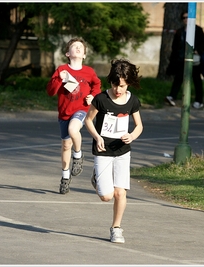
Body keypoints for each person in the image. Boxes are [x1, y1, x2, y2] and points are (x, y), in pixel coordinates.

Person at [84, 58, 143, 243]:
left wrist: (132, 136)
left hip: (123, 151)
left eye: (123, 86)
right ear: (110, 81)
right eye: (115, 85)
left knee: (120, 193)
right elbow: (88, 120)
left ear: (129, 84)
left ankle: (116, 228)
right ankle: (97, 177)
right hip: (103, 150)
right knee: (106, 196)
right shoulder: (101, 99)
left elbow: (139, 125)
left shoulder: (132, 101)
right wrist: (97, 137)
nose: (118, 90)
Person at [46, 37, 101, 194]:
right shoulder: (62, 70)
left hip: (82, 110)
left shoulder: (89, 72)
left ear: (84, 55)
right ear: (67, 53)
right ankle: (65, 177)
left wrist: (93, 96)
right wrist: (59, 79)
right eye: (74, 46)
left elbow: (96, 85)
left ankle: (78, 156)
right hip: (64, 112)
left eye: (80, 47)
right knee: (65, 145)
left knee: (73, 130)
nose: (77, 48)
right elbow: (50, 91)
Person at [166, 11, 204, 109]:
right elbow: (175, 46)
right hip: (181, 60)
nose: (186, 19)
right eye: (184, 18)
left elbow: (203, 44)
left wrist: (197, 51)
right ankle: (172, 96)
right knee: (178, 78)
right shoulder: (180, 31)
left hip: (194, 60)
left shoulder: (198, 30)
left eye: (188, 17)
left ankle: (199, 101)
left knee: (196, 79)